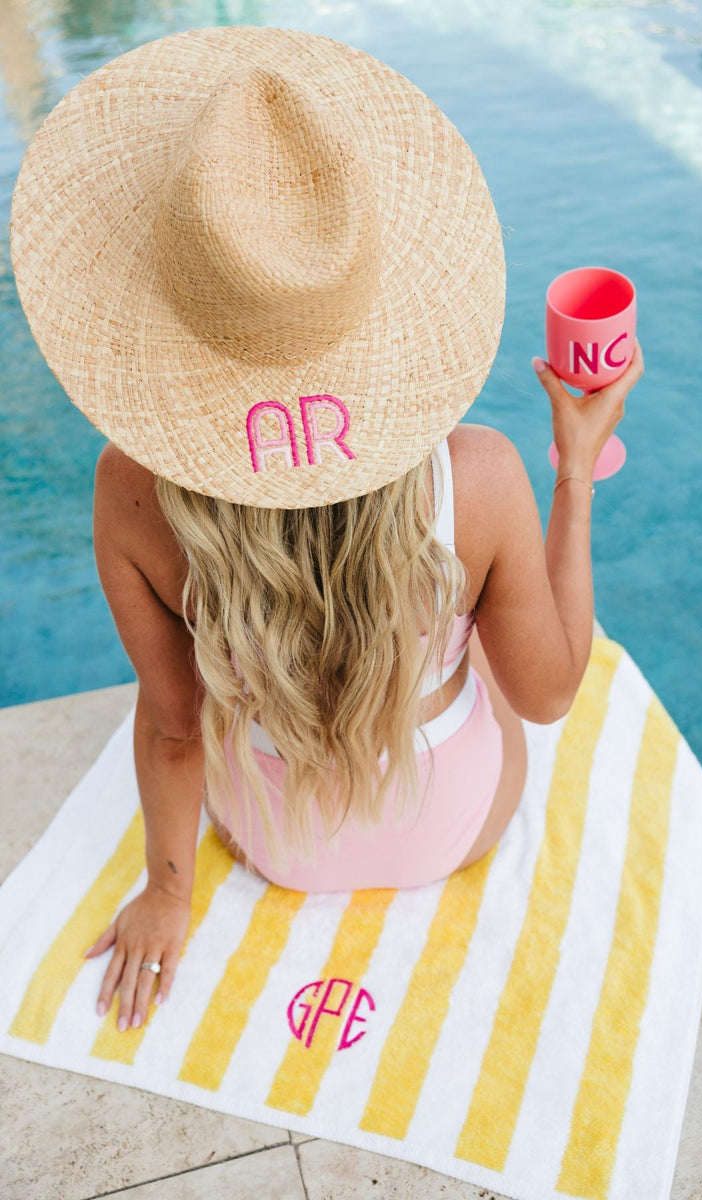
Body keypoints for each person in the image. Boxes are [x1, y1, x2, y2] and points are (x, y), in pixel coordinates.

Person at [9, 27, 644, 1036]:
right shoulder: (476, 476)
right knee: (472, 665)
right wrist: (573, 475)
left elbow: (174, 726)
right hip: (453, 821)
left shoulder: (130, 490)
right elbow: (550, 690)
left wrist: (168, 893)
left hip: (278, 839)